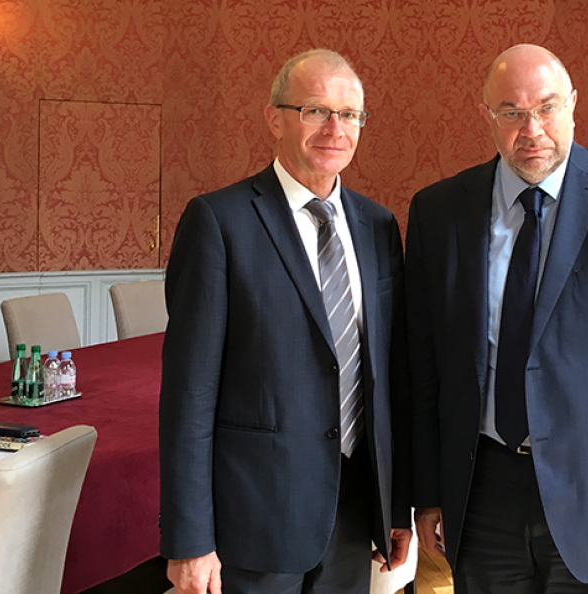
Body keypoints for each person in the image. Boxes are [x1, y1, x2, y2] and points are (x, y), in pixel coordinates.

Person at [405, 43, 588, 594]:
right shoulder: (439, 211)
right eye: (512, 112)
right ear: (487, 115)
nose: (532, 129)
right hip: (482, 491)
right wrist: (427, 494)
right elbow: (424, 367)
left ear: (572, 104)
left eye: (546, 107)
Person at [159, 49, 412, 594]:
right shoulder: (218, 221)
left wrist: (395, 506)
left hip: (353, 513)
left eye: (350, 114)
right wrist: (189, 539)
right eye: (315, 110)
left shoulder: (378, 226)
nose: (335, 129)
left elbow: (390, 377)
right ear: (274, 119)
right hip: (254, 520)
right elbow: (189, 394)